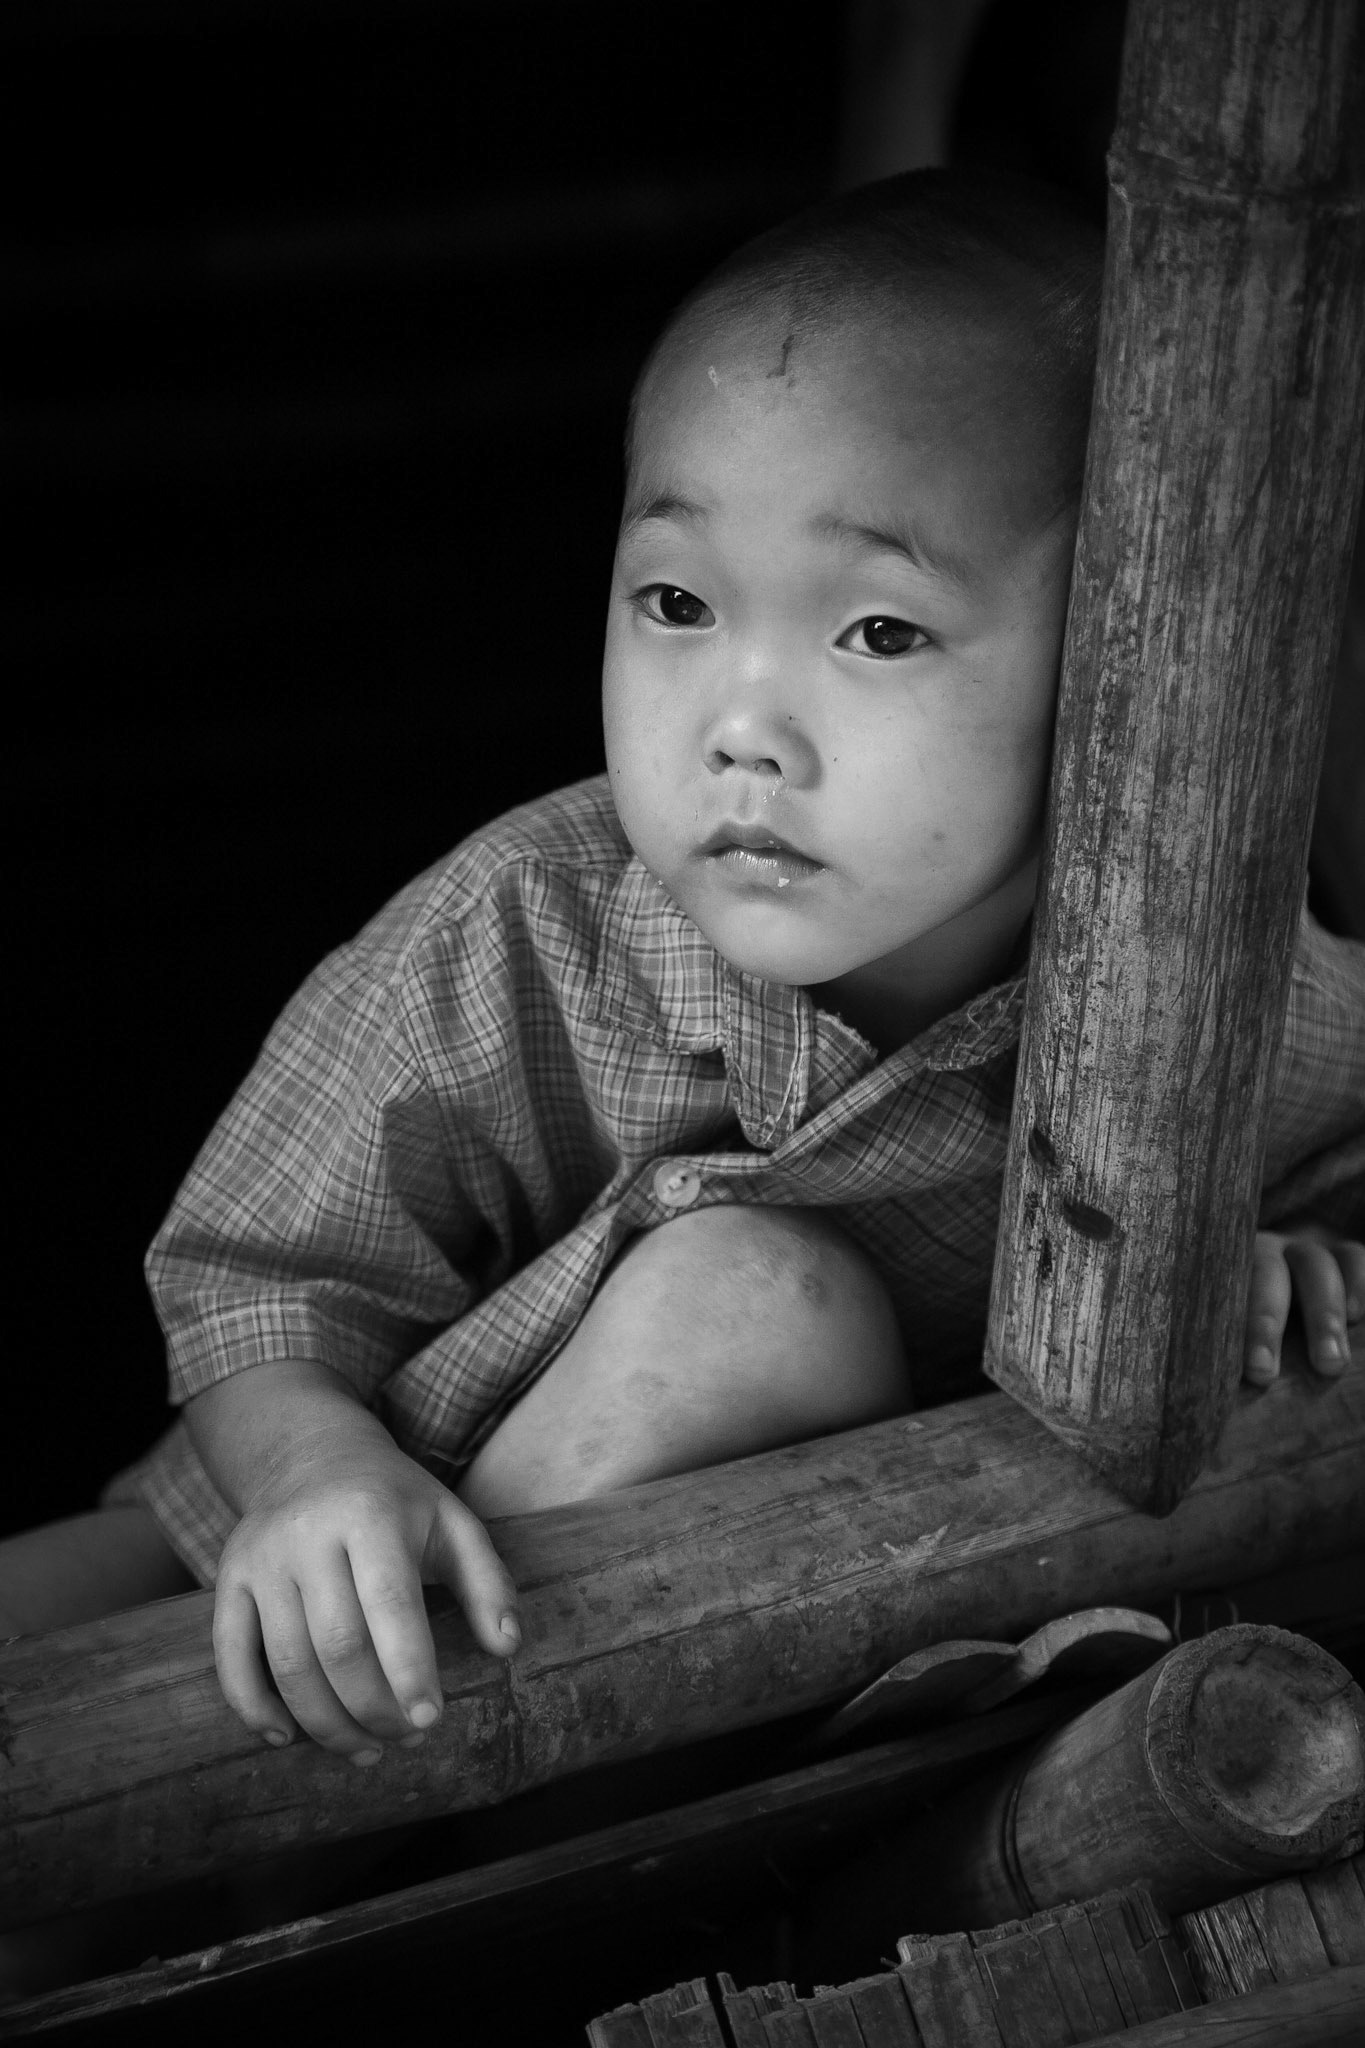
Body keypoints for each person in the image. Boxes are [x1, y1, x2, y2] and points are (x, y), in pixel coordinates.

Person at [3, 170, 1362, 1775]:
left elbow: (1341, 1166)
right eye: (675, 603)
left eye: (876, 632)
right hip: (301, 1531)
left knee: (757, 1304)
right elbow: (256, 1282)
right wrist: (311, 1477)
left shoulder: (1212, 991)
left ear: (1121, 665)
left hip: (720, 1682)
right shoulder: (524, 927)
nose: (740, 726)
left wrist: (1299, 1247)